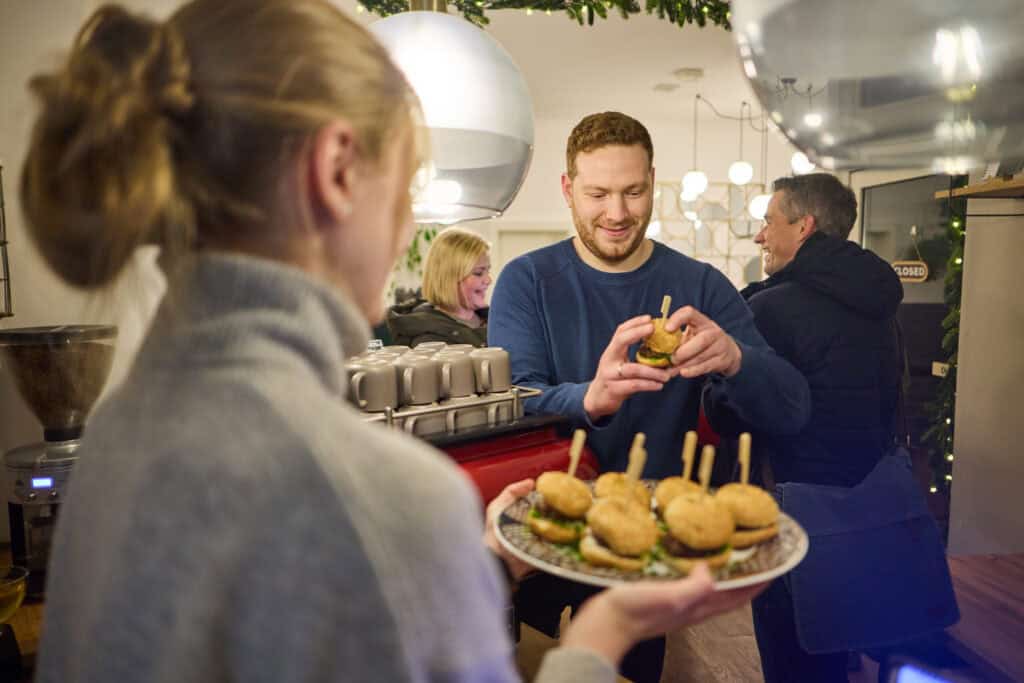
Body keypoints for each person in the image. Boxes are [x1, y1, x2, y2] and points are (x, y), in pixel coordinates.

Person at [22, 4, 767, 682]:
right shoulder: (385, 495)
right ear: (335, 171)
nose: (409, 229)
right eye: (408, 183)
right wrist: (599, 637)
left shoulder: (118, 428)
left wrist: (484, 563)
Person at [488, 111, 812, 683]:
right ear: (568, 190)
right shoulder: (527, 280)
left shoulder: (702, 284)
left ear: (654, 183)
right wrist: (589, 397)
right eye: (598, 193)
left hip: (655, 554)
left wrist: (736, 360)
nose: (616, 213)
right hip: (547, 543)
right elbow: (516, 400)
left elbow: (791, 406)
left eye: (633, 192)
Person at [742, 174, 959, 682]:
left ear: (804, 226)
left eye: (769, 223)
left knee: (793, 661)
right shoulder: (879, 304)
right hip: (869, 509)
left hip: (790, 514)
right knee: (849, 652)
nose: (760, 237)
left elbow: (739, 411)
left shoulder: (770, 308)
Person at [387, 227, 491, 347]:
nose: (489, 280)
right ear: (449, 277)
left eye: (488, 271)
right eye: (478, 273)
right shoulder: (429, 341)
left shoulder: (494, 319)